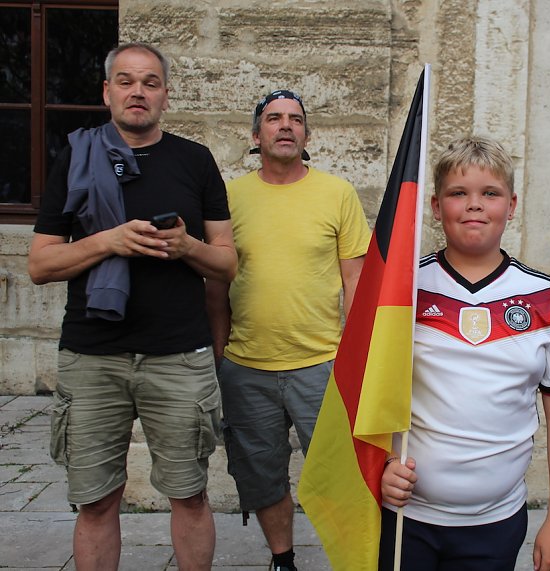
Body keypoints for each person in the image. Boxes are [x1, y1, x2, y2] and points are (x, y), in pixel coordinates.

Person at [27, 43, 237, 571]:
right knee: (96, 500)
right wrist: (110, 241)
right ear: (107, 92)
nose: (137, 92)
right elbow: (40, 265)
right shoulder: (76, 156)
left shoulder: (194, 159)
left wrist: (187, 247)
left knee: (189, 494)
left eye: (149, 82)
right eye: (125, 81)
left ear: (165, 95)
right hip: (93, 355)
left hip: (178, 356)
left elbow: (227, 264)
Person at [379, 136, 550, 571]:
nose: (474, 205)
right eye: (459, 193)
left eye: (490, 193)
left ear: (511, 206)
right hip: (404, 517)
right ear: (436, 207)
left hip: (494, 522)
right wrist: (377, 465)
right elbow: (364, 392)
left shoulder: (544, 299)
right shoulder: (401, 288)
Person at [205, 89, 371, 571]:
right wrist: (219, 360)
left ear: (306, 134)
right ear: (256, 136)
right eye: (274, 119)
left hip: (321, 366)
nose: (285, 126)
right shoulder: (228, 197)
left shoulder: (336, 192)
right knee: (261, 478)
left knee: (341, 475)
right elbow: (215, 287)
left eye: (295, 119)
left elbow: (355, 280)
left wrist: (355, 361)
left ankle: (352, 558)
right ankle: (283, 559)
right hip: (246, 367)